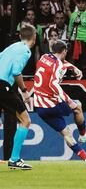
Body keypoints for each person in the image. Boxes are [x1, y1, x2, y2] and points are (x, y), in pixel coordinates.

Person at [33, 40, 86, 166]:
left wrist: (73, 67)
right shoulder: (58, 66)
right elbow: (53, 84)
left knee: (66, 133)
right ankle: (83, 134)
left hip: (39, 107)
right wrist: (68, 101)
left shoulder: (44, 57)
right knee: (77, 106)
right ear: (65, 51)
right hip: (51, 104)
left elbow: (59, 63)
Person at [0, 25, 37, 170]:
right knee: (25, 120)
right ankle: (14, 159)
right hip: (3, 86)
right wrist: (24, 91)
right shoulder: (25, 51)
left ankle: (14, 159)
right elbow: (16, 71)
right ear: (34, 37)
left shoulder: (12, 46)